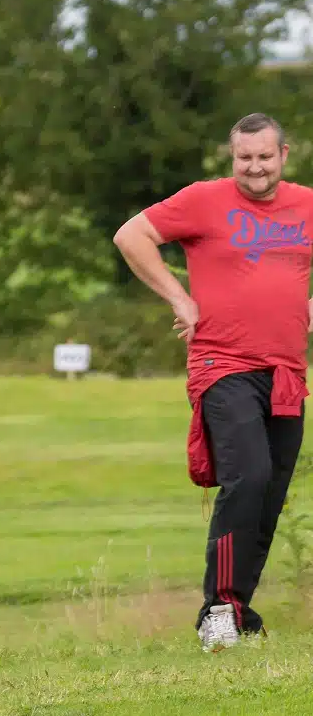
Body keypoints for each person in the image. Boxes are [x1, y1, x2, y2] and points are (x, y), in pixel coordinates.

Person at [113, 113, 313, 651]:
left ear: (283, 155)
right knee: (246, 476)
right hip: (221, 364)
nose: (254, 168)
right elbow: (131, 234)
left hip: (287, 372)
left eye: (264, 157)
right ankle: (218, 608)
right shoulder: (204, 199)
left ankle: (240, 609)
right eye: (244, 158)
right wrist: (179, 296)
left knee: (269, 493)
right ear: (233, 157)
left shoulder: (306, 205)